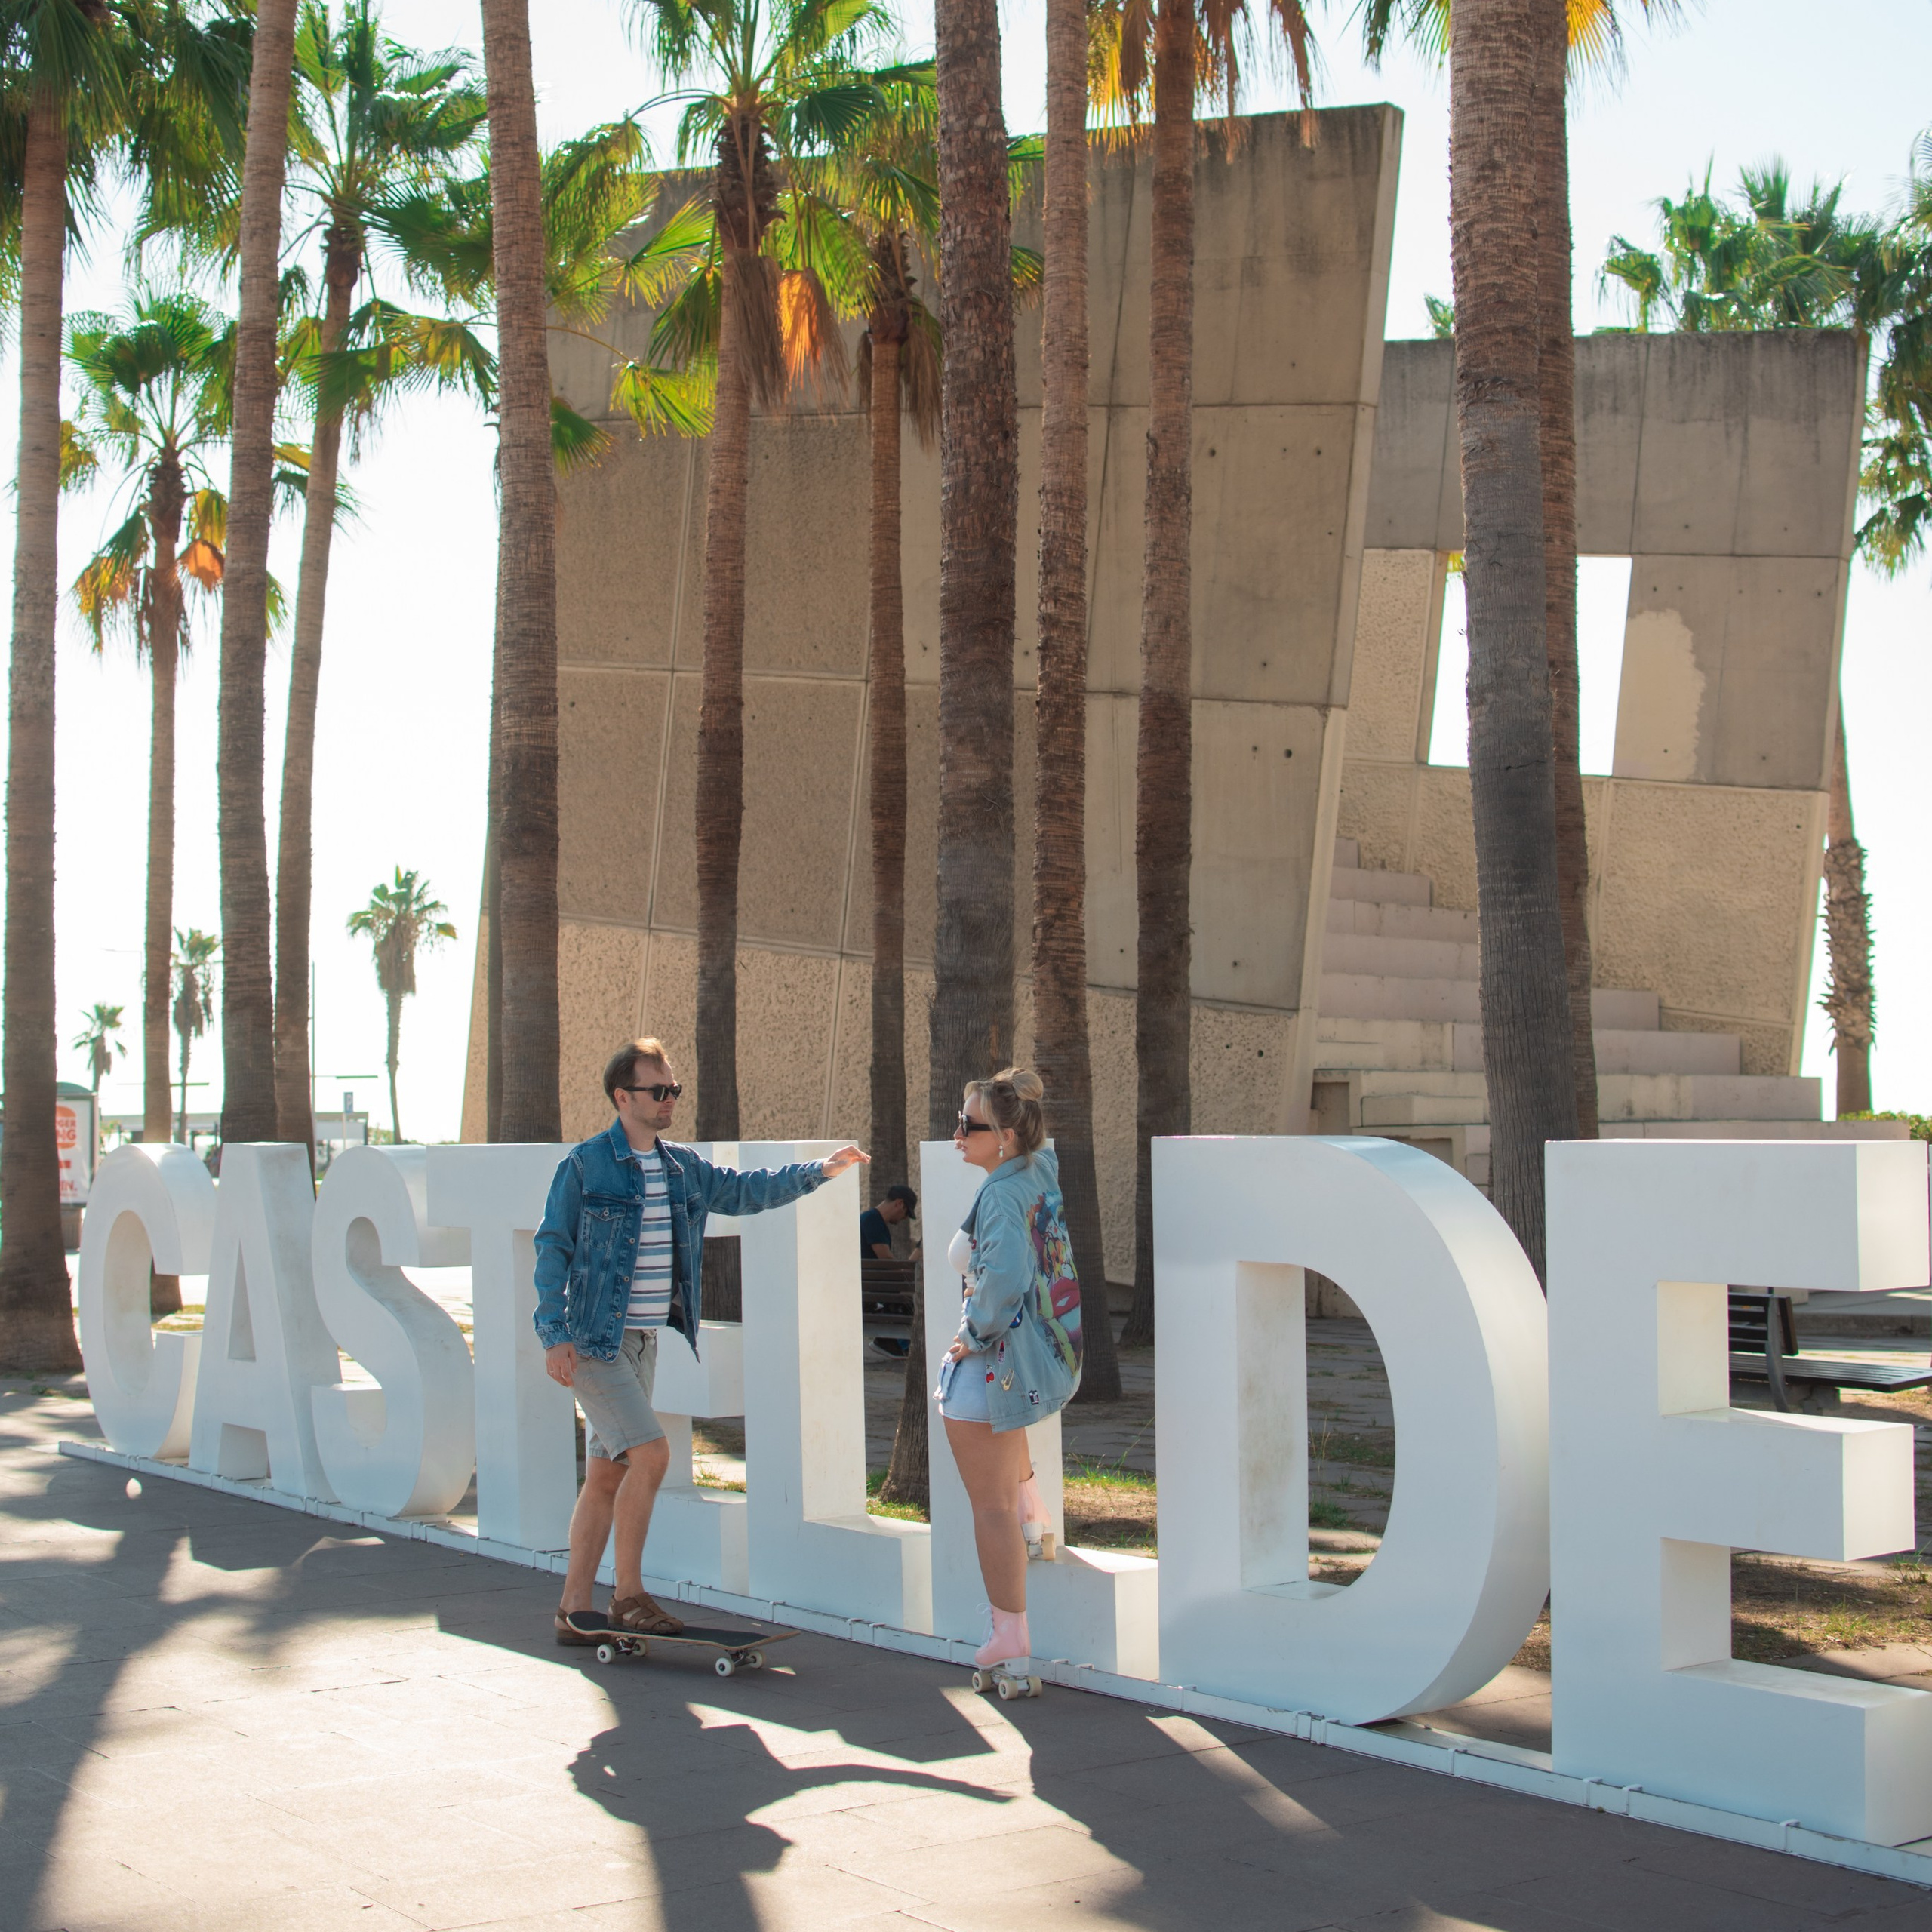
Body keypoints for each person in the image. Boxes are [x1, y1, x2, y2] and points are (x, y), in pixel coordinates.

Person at [534, 1037, 869, 1644]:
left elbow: (745, 1190)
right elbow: (551, 1247)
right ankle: (628, 1597)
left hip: (643, 1343)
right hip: (593, 1343)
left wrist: (818, 1172)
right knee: (653, 1455)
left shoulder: (681, 1167)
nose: (668, 1101)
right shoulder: (586, 1165)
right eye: (656, 1091)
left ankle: (570, 1610)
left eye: (673, 1091)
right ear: (622, 1096)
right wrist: (553, 1335)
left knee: (607, 1476)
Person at [937, 1067, 1083, 1675]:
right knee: (1006, 1481)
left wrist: (969, 1337)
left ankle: (1009, 1634)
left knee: (987, 1509)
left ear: (1006, 1137)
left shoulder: (1000, 1194)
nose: (956, 1136)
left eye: (969, 1126)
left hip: (991, 1364)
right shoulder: (1036, 1170)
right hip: (1036, 1356)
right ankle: (1033, 1505)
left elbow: (1002, 1280)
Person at [860, 1184, 918, 1260]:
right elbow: (886, 1258)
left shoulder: (872, 1218)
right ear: (899, 1204)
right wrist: (903, 1270)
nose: (905, 1217)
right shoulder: (873, 1220)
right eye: (906, 1213)